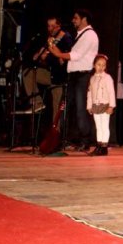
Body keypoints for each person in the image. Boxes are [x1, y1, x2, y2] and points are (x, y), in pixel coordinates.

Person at [48, 9, 99, 152]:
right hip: (74, 76)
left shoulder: (90, 35)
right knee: (66, 107)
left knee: (80, 109)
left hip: (82, 76)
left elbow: (76, 55)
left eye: (76, 18)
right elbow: (73, 55)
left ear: (84, 19)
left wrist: (58, 53)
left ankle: (85, 140)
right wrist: (55, 50)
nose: (73, 20)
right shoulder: (81, 35)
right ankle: (64, 139)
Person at [22, 16, 73, 114]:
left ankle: (56, 125)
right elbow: (39, 57)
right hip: (50, 72)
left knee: (57, 108)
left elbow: (65, 60)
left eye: (53, 26)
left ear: (59, 26)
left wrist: (51, 52)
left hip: (60, 76)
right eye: (48, 26)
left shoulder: (66, 38)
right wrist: (41, 55)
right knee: (27, 73)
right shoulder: (50, 38)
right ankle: (37, 102)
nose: (50, 29)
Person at [86, 54, 115, 156]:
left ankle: (104, 147)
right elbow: (90, 93)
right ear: (94, 65)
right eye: (99, 64)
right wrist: (89, 106)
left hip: (105, 105)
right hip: (96, 106)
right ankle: (98, 146)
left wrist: (111, 106)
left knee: (105, 126)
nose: (101, 67)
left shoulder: (107, 78)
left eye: (103, 65)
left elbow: (111, 92)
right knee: (98, 127)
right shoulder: (92, 79)